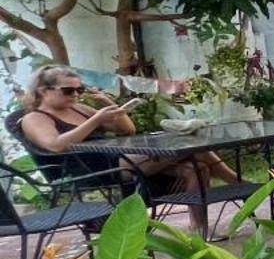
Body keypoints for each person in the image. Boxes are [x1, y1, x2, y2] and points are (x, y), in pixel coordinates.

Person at [14, 63, 241, 207]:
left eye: (79, 90)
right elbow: (55, 146)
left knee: (196, 167)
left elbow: (127, 130)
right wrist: (95, 120)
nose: (76, 95)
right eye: (68, 90)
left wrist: (110, 106)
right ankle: (240, 185)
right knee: (192, 148)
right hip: (93, 169)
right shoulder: (35, 118)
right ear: (44, 91)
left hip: (122, 159)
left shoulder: (78, 109)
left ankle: (200, 233)